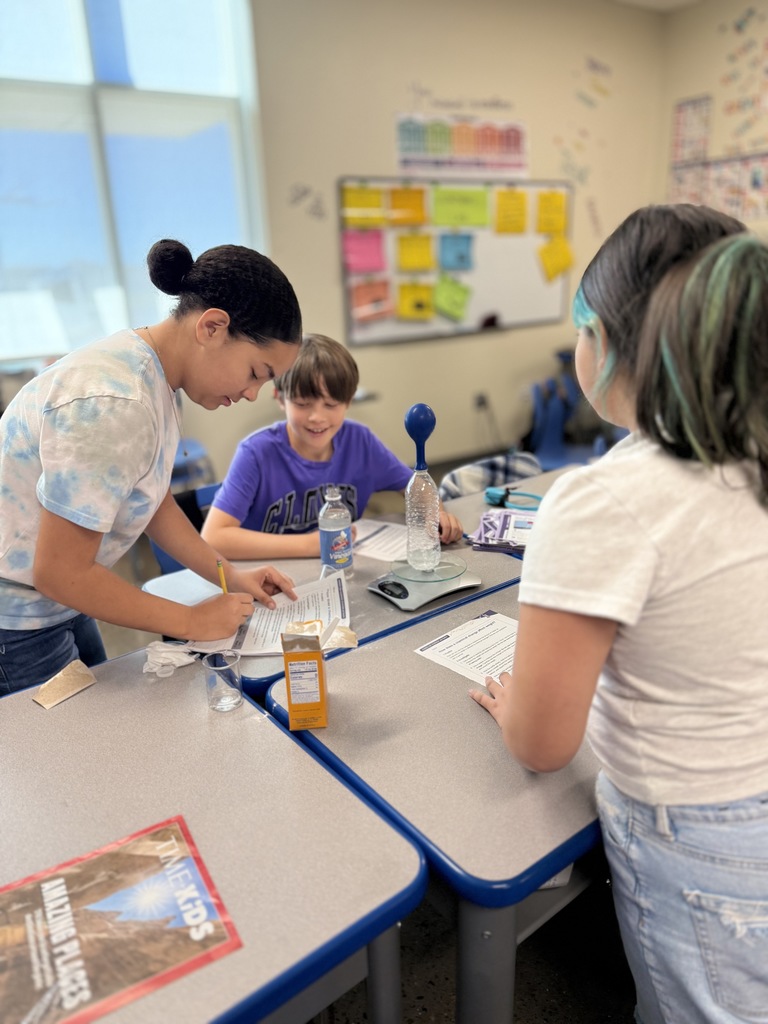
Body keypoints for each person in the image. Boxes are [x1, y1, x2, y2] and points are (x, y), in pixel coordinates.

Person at [469, 206, 768, 1024]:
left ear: (600, 337)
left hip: (701, 834)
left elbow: (541, 744)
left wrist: (514, 704)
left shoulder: (602, 501)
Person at [0, 238, 303, 695]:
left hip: (62, 602)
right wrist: (190, 620)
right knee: (68, 753)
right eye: (256, 372)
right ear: (213, 328)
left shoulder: (155, 376)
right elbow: (61, 572)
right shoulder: (117, 401)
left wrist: (230, 575)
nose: (251, 394)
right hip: (17, 620)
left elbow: (149, 499)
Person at [201, 333, 463, 559]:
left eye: (331, 405)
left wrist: (435, 513)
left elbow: (413, 487)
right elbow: (214, 537)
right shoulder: (256, 453)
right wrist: (309, 544)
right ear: (280, 399)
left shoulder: (360, 442)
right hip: (272, 579)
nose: (317, 417)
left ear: (348, 401)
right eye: (303, 404)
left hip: (342, 569)